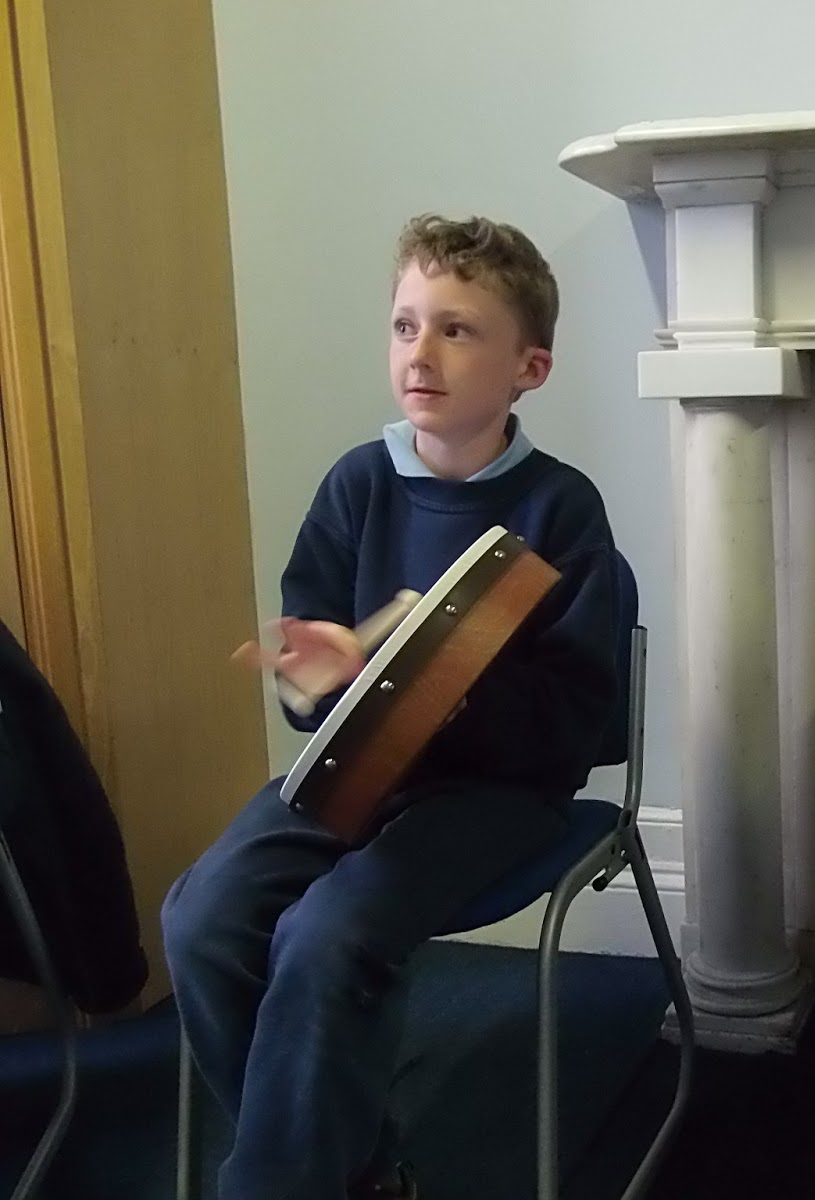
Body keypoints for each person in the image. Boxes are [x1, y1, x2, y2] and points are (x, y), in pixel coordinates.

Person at [162, 214, 619, 1200]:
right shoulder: (356, 486)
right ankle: (352, 1167)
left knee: (329, 934)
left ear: (528, 367)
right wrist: (315, 677)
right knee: (204, 916)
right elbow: (306, 687)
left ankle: (279, 1185)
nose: (422, 351)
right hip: (350, 772)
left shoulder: (560, 511)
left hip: (494, 795)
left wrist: (447, 700)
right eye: (407, 325)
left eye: (458, 330)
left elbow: (581, 721)